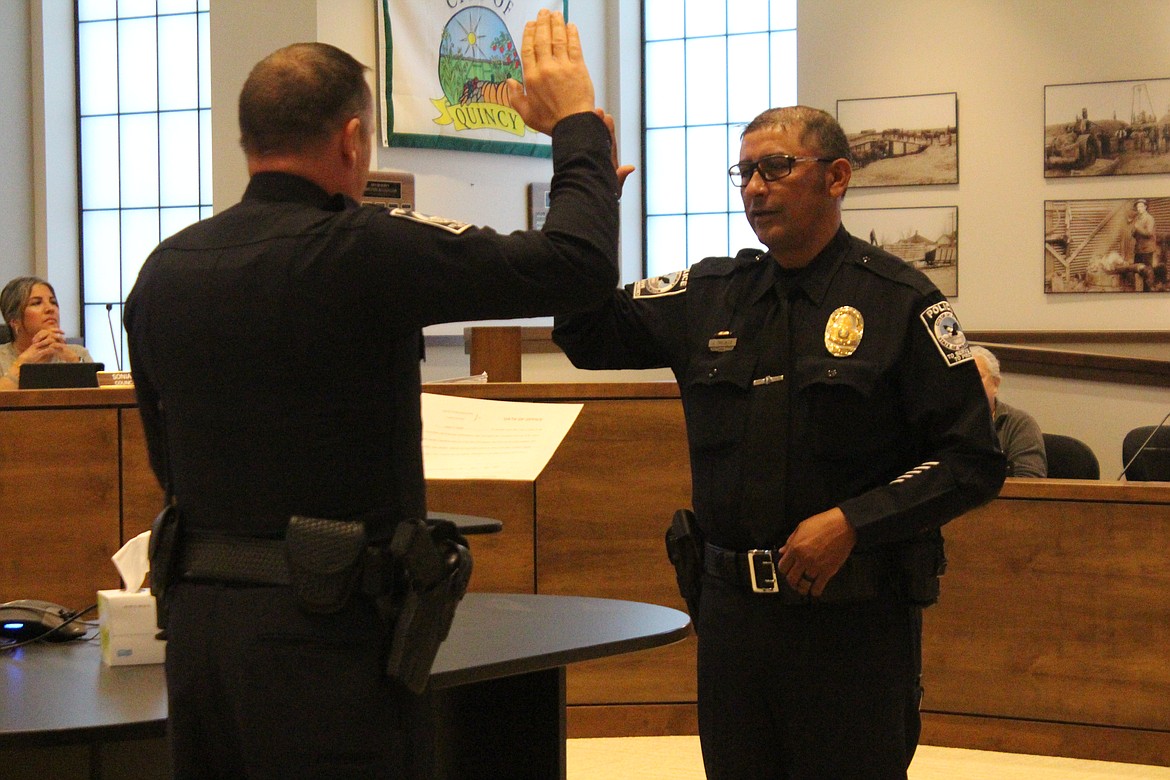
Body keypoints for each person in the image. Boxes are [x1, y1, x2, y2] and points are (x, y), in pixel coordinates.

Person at [124, 11, 627, 778]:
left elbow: (168, 457)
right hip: (326, 635)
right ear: (354, 139)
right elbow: (575, 263)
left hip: (199, 631)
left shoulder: (164, 270)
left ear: (247, 142)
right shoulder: (360, 246)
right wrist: (579, 136)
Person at [552, 105, 1005, 779]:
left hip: (851, 624)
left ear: (837, 176)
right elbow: (583, 333)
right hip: (732, 621)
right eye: (745, 172)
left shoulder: (898, 302)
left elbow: (972, 459)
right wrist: (593, 204)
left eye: (776, 167)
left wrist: (854, 521)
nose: (756, 188)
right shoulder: (710, 295)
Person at [1, 276, 95, 390]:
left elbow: (103, 398)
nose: (50, 309)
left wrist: (74, 362)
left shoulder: (77, 353)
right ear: (14, 321)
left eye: (53, 302)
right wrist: (22, 363)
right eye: (36, 303)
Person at [969, 345, 1046, 478]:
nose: (969, 384)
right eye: (960, 379)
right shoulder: (941, 423)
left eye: (978, 376)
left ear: (995, 384)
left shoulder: (1019, 424)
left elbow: (1030, 484)